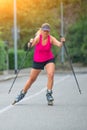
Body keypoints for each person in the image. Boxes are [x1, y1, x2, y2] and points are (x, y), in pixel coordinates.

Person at [12, 23, 65, 105]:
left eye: (47, 31)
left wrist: (62, 42)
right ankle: (22, 93)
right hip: (38, 60)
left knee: (51, 74)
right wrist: (30, 43)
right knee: (32, 79)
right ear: (41, 30)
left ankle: (49, 94)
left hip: (48, 59)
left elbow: (59, 45)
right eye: (44, 31)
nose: (46, 33)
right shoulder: (37, 38)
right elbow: (29, 47)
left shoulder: (51, 38)